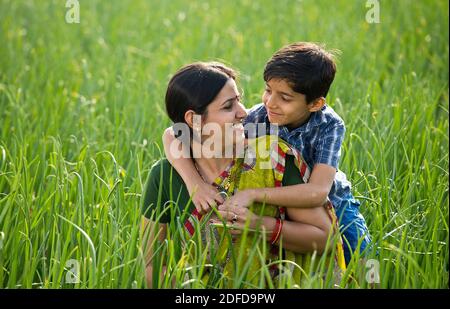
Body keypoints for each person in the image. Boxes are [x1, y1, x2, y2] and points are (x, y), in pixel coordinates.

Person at [162, 43, 371, 265]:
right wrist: (195, 182)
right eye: (268, 90)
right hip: (282, 205)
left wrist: (254, 194)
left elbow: (317, 192)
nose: (270, 103)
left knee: (361, 256)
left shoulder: (328, 126)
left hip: (333, 201)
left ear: (315, 103)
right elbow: (172, 133)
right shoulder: (260, 118)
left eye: (285, 97)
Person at [142, 62, 346, 288]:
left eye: (239, 100)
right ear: (194, 120)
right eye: (229, 106)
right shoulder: (165, 176)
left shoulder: (269, 157)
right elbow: (151, 266)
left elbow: (325, 239)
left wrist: (260, 225)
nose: (243, 112)